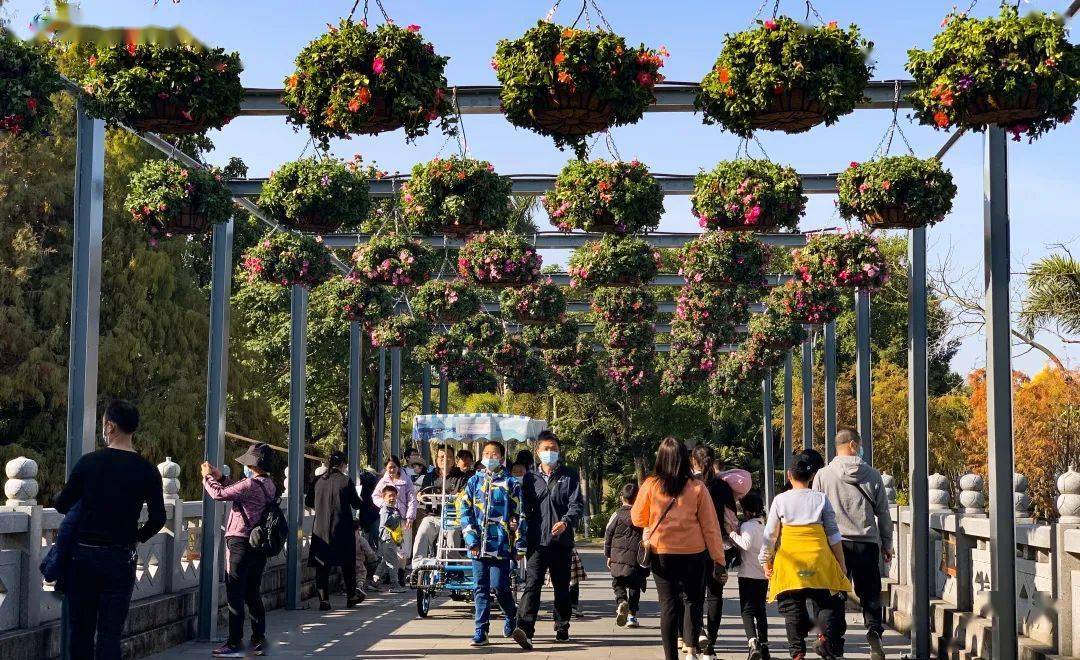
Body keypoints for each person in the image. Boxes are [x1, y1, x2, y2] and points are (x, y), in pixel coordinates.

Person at [53, 399, 166, 660]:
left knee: (81, 631)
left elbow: (62, 504)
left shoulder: (89, 463)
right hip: (121, 557)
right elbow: (158, 519)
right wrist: (136, 537)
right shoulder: (147, 470)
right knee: (110, 633)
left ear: (110, 426)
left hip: (84, 557)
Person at [632, 437, 726, 660]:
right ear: (686, 459)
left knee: (668, 605)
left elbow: (637, 518)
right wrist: (718, 559)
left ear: (660, 458)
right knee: (693, 600)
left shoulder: (650, 485)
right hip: (694, 553)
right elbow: (710, 527)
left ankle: (670, 656)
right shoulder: (697, 487)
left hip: (661, 552)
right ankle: (691, 650)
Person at [760, 450, 851, 660]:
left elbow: (770, 535)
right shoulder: (821, 499)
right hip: (820, 560)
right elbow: (833, 535)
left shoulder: (780, 500)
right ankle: (824, 637)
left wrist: (766, 562)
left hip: (790, 563)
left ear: (789, 475)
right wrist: (841, 564)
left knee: (792, 609)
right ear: (811, 477)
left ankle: (797, 653)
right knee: (828, 602)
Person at [812, 428, 893, 660]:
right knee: (870, 592)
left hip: (836, 545)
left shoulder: (823, 476)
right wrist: (887, 543)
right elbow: (883, 513)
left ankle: (835, 643)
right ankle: (874, 630)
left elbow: (815, 512)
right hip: (866, 543)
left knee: (836, 594)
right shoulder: (873, 475)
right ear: (853, 445)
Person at [201, 442, 278, 657]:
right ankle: (258, 638)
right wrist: (221, 477)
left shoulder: (250, 484)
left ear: (252, 465)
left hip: (240, 543)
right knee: (253, 592)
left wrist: (208, 477)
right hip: (258, 545)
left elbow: (219, 494)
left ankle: (234, 643)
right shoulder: (269, 484)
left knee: (235, 594)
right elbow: (239, 490)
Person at [512, 430, 584, 649]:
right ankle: (525, 629)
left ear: (559, 451)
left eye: (553, 449)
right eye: (545, 449)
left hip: (561, 541)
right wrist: (516, 523)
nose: (549, 452)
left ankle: (562, 625)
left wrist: (565, 522)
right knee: (532, 584)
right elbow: (522, 507)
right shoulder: (530, 478)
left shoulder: (569, 475)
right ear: (537, 451)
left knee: (561, 586)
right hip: (536, 541)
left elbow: (576, 505)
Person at [457, 439, 526, 646]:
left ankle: (511, 614)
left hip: (501, 546)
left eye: (494, 454)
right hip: (478, 546)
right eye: (486, 454)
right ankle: (481, 630)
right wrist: (471, 540)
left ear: (502, 457)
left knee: (499, 586)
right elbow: (465, 511)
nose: (490, 457)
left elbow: (520, 514)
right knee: (480, 587)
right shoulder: (474, 481)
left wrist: (519, 544)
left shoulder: (511, 483)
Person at [691, 444, 738, 660]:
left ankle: (698, 632)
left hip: (694, 546)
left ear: (694, 461)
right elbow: (732, 518)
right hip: (720, 546)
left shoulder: (691, 485)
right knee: (715, 595)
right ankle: (711, 645)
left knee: (693, 594)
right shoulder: (723, 486)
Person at [306, 450, 366, 610]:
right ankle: (351, 596)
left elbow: (309, 502)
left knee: (322, 566)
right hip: (342, 528)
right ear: (343, 464)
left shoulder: (318, 480)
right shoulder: (346, 481)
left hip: (320, 529)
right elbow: (356, 503)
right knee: (347, 564)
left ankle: (324, 601)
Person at [730, 489, 771, 660]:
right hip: (762, 575)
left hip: (747, 575)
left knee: (747, 611)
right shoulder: (765, 527)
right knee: (760, 610)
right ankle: (765, 645)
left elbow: (745, 544)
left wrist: (732, 534)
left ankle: (752, 643)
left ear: (747, 511)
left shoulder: (747, 526)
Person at [412, 444, 469, 561]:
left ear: (453, 459)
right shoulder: (429, 477)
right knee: (422, 532)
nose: (445, 459)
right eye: (441, 457)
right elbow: (423, 493)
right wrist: (420, 496)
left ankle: (451, 564)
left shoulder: (462, 478)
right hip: (434, 515)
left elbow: (464, 495)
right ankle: (418, 564)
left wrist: (456, 497)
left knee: (452, 535)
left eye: (448, 456)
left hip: (453, 517)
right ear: (437, 459)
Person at [604, 481, 648, 629]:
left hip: (618, 557)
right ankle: (631, 616)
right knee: (635, 587)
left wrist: (608, 555)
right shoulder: (642, 516)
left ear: (621, 497)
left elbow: (608, 534)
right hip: (637, 559)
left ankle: (622, 601)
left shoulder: (616, 515)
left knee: (618, 583)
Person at [373, 455, 417, 584]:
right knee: (389, 548)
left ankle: (400, 574)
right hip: (388, 520)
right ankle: (390, 575)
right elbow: (375, 496)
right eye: (389, 467)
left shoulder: (406, 480)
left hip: (403, 519)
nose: (392, 470)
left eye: (394, 467)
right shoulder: (383, 481)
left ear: (398, 467)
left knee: (403, 547)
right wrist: (384, 504)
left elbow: (412, 499)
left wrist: (410, 517)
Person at [375, 484, 406, 593]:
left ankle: (375, 582)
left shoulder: (392, 509)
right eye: (389, 496)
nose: (392, 498)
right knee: (393, 562)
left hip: (389, 540)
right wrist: (396, 516)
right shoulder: (385, 509)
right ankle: (394, 585)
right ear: (384, 497)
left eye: (394, 495)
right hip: (387, 539)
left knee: (385, 561)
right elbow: (386, 524)